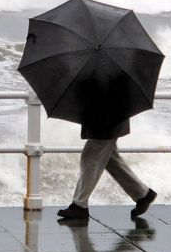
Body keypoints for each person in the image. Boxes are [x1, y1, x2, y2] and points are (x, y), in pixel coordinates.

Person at [57, 76, 156, 220]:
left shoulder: (103, 68)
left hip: (106, 120)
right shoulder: (113, 65)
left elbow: (102, 92)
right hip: (108, 118)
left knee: (90, 158)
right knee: (110, 160)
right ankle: (143, 194)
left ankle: (79, 206)